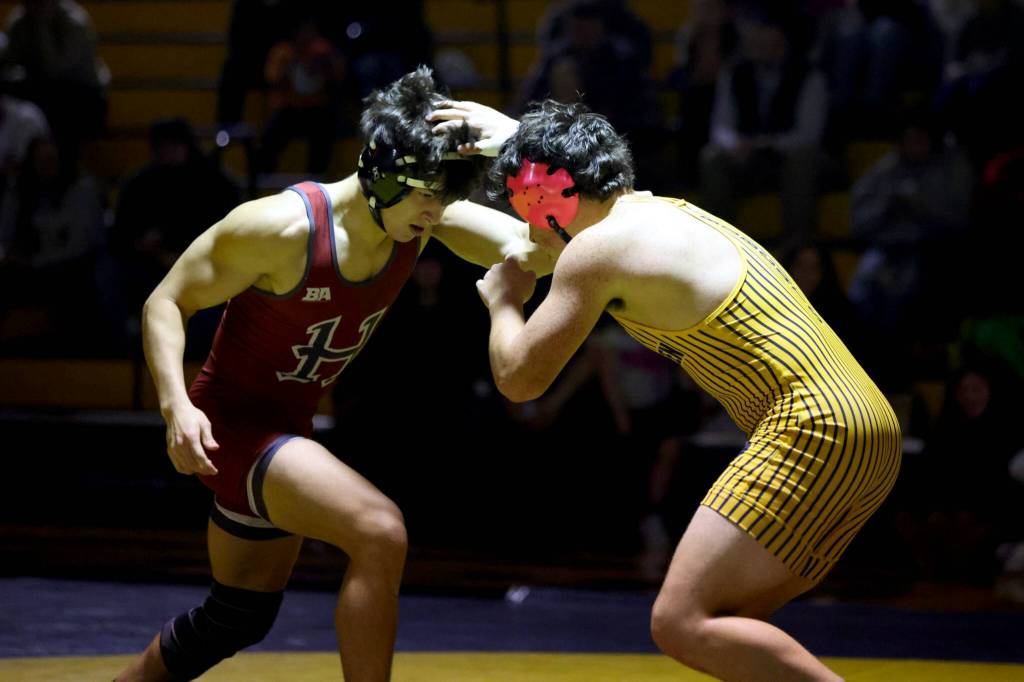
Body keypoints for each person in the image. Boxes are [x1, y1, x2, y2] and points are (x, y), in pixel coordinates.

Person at [430, 98, 901, 681]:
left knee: (680, 623)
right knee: (724, 627)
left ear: (547, 197)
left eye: (525, 205)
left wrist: (503, 304)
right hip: (867, 430)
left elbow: (520, 380)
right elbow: (535, 223)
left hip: (810, 428)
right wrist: (482, 166)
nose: (527, 226)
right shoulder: (658, 214)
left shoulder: (596, 252)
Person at [114, 67, 548, 682]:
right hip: (232, 428)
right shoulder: (281, 228)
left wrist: (516, 149)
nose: (437, 215)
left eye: (445, 201)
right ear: (383, 178)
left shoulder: (419, 219)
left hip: (286, 428)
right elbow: (167, 300)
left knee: (238, 615)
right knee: (379, 531)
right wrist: (174, 407)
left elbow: (542, 244)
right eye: (429, 200)